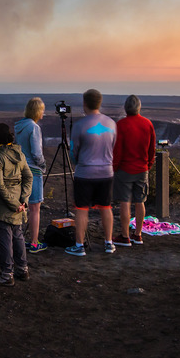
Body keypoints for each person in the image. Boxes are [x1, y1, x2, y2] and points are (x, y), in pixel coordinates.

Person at [67, 89, 117, 256]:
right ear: (99, 103)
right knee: (106, 207)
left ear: (85, 103)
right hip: (106, 172)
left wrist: (78, 162)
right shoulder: (111, 124)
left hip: (85, 173)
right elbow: (113, 146)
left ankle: (79, 246)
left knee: (81, 209)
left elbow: (73, 150)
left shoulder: (80, 125)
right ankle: (109, 243)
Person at [0, 123, 32, 286]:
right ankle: (22, 269)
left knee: (4, 239)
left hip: (2, 207)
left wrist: (15, 204)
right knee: (18, 235)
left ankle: (7, 274)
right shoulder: (20, 154)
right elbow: (29, 177)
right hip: (18, 204)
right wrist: (23, 201)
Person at [111, 94, 156, 247]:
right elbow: (152, 148)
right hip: (142, 169)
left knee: (125, 202)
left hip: (124, 169)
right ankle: (138, 234)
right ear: (139, 107)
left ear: (125, 108)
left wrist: (114, 167)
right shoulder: (147, 124)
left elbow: (117, 150)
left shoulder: (121, 125)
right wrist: (148, 165)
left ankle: (125, 236)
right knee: (140, 201)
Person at [14, 97, 47, 253]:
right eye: (42, 110)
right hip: (33, 170)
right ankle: (34, 243)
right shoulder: (34, 127)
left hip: (19, 169)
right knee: (34, 208)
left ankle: (18, 241)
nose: (43, 113)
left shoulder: (19, 126)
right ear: (37, 111)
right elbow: (36, 153)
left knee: (21, 206)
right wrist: (43, 165)